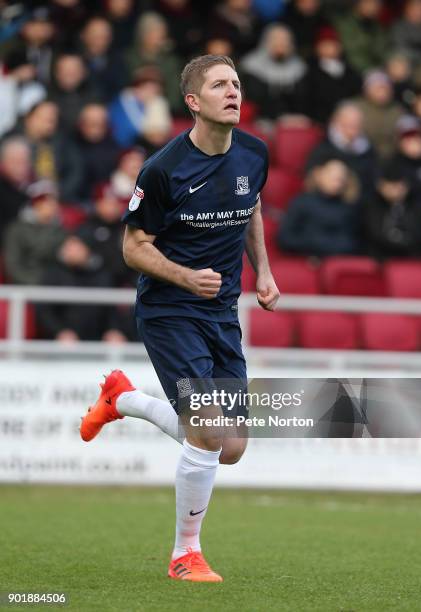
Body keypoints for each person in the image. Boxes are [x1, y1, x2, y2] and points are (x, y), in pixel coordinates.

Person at [80, 54, 279, 582]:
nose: (232, 91)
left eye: (235, 83)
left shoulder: (255, 153)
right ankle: (184, 555)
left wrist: (263, 272)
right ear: (193, 102)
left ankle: (121, 399)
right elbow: (133, 247)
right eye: (219, 85)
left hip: (221, 313)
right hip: (170, 309)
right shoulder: (163, 169)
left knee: (231, 447)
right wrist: (185, 276)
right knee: (209, 430)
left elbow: (252, 207)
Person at [277, 158, 362, 256]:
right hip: (303, 259)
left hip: (336, 262)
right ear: (319, 175)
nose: (337, 179)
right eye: (332, 174)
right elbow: (285, 238)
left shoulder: (349, 208)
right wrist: (313, 244)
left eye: (341, 177)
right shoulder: (301, 202)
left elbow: (352, 243)